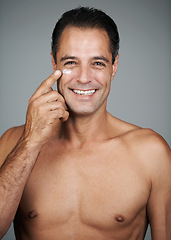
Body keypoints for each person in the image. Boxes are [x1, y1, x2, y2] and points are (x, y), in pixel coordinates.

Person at [0, 6, 170, 240]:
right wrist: (30, 141)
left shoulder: (151, 153)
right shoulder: (13, 142)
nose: (83, 77)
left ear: (114, 66)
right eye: (70, 62)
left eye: (98, 63)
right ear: (54, 64)